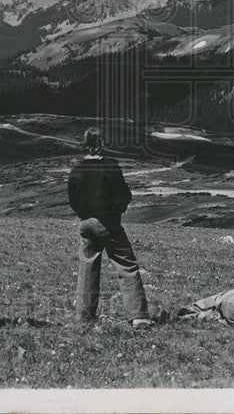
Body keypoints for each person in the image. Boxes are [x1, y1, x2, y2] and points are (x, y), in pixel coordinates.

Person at [67, 127, 153, 328]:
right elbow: (124, 194)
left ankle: (84, 316)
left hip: (85, 223)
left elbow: (72, 196)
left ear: (85, 144)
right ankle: (138, 315)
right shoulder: (110, 166)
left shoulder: (76, 169)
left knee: (88, 266)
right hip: (108, 223)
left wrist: (82, 213)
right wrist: (115, 212)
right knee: (126, 264)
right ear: (102, 143)